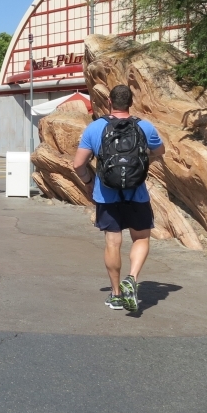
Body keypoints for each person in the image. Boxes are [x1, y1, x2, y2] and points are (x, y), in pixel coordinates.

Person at [73, 84, 165, 312]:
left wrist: (88, 182)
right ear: (131, 103)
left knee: (113, 243)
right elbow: (160, 152)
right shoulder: (145, 127)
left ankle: (115, 295)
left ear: (109, 102)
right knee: (141, 239)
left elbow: (78, 164)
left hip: (106, 194)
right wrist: (144, 163)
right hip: (137, 193)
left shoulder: (94, 128)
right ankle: (132, 279)